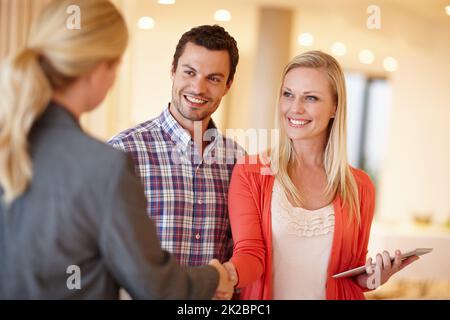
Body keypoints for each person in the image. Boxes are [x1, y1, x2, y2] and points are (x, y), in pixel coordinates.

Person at [0, 0, 233, 300]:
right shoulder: (107, 163)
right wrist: (214, 276)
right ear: (101, 68)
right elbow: (155, 285)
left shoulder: (12, 142)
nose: (199, 87)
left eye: (213, 78)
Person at [223, 51, 419, 300]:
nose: (295, 108)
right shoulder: (250, 172)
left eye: (311, 98)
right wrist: (226, 274)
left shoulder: (359, 186)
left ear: (334, 108)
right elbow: (250, 253)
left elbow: (351, 273)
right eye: (288, 94)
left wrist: (374, 277)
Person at [108, 25, 246, 267]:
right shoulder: (123, 151)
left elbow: (241, 251)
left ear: (229, 85)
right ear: (173, 70)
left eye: (213, 78)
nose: (198, 88)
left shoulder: (238, 161)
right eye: (189, 72)